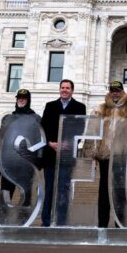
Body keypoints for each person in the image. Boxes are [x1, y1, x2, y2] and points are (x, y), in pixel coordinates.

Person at [85, 81, 127, 228]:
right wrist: (91, 154)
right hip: (104, 156)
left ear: (122, 91)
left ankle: (120, 223)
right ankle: (102, 224)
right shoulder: (99, 109)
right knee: (103, 191)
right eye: (113, 90)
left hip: (121, 157)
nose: (115, 93)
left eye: (118, 90)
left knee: (120, 191)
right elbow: (92, 132)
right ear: (109, 92)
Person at [39, 79, 86, 227]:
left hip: (67, 155)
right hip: (51, 154)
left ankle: (61, 219)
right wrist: (49, 143)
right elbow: (43, 127)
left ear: (72, 90)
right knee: (49, 188)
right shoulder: (50, 106)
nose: (64, 90)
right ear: (59, 89)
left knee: (63, 188)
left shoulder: (80, 107)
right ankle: (46, 220)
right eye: (62, 88)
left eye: (67, 88)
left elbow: (80, 129)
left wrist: (69, 144)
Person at [0, 88, 39, 202]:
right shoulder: (8, 119)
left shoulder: (36, 119)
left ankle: (23, 218)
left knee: (26, 196)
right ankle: (3, 217)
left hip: (26, 163)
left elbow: (38, 140)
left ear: (28, 100)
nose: (21, 101)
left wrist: (38, 160)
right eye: (19, 98)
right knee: (5, 194)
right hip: (8, 162)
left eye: (24, 99)